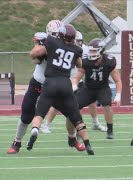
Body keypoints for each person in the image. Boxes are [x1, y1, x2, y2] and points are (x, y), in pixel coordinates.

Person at [6, 20, 84, 154]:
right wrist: (40, 50)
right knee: (26, 115)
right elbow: (35, 57)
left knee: (73, 114)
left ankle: (72, 139)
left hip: (57, 85)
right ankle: (17, 142)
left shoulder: (67, 45)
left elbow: (79, 64)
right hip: (39, 83)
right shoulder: (46, 43)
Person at [26, 24, 94, 155]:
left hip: (50, 82)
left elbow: (35, 54)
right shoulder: (76, 49)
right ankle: (88, 144)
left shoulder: (52, 42)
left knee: (39, 113)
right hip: (65, 84)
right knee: (76, 116)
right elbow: (80, 65)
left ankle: (35, 130)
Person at [40, 31, 107, 133]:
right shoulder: (66, 47)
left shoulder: (83, 49)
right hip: (66, 80)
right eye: (76, 41)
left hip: (77, 79)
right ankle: (46, 124)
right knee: (58, 104)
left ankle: (95, 122)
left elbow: (86, 62)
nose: (78, 43)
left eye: (80, 41)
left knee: (91, 101)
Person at [72, 38, 122, 139]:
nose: (91, 53)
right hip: (88, 89)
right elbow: (77, 77)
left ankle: (110, 129)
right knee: (75, 106)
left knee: (107, 105)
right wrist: (74, 85)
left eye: (94, 50)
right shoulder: (85, 61)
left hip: (102, 88)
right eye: (90, 50)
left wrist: (118, 95)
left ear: (101, 50)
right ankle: (79, 129)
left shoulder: (109, 61)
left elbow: (118, 80)